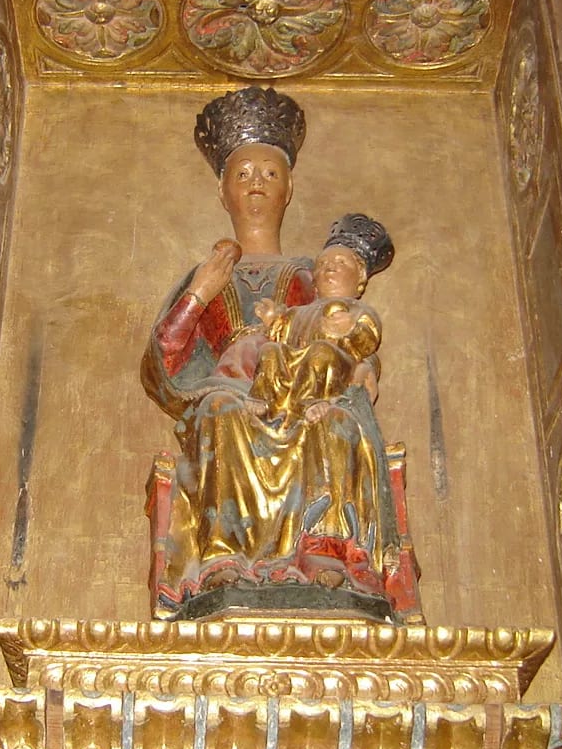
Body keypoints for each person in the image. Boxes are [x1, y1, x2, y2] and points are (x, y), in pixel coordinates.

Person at [141, 89, 420, 623]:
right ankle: (224, 561)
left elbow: (345, 333)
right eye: (242, 175)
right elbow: (164, 363)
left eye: (269, 175)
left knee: (333, 422)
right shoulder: (208, 274)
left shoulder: (309, 273)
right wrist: (201, 291)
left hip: (302, 391)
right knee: (218, 414)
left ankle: (327, 555)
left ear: (289, 188)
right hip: (228, 389)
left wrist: (364, 370)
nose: (256, 186)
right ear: (222, 190)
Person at [250, 213, 394, 429]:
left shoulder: (357, 310)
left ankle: (312, 402)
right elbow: (282, 332)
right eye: (323, 263)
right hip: (294, 364)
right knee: (269, 350)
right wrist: (274, 321)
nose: (330, 267)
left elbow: (368, 339)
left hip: (335, 366)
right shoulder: (298, 312)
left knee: (321, 351)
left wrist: (351, 326)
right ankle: (264, 398)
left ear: (360, 279)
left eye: (341, 262)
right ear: (314, 282)